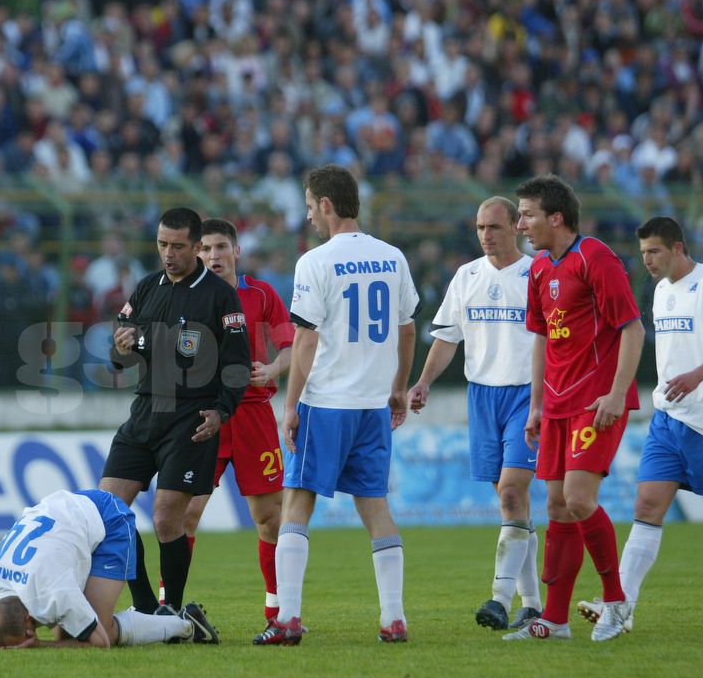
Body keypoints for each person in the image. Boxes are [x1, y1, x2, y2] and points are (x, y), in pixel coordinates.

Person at [254, 164, 419, 646]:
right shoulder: (392, 257)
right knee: (376, 507)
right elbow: (407, 329)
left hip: (327, 402)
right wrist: (398, 387)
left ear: (326, 205)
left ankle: (287, 617)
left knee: (297, 502)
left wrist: (291, 405)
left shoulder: (315, 262)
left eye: (309, 207)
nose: (308, 217)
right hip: (372, 404)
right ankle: (393, 617)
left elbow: (304, 341)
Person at [578, 219, 703, 636]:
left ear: (677, 248)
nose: (646, 260)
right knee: (646, 505)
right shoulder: (661, 292)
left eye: (654, 252)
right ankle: (621, 606)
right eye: (643, 252)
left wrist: (696, 376)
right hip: (668, 418)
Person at [502, 174, 644, 643]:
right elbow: (541, 338)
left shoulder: (595, 257)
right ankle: (555, 621)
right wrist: (537, 406)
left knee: (580, 500)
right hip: (558, 405)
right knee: (558, 508)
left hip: (597, 400)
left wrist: (617, 392)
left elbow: (632, 328)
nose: (520, 223)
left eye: (526, 214)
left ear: (555, 218)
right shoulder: (540, 268)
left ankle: (617, 603)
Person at [100, 207, 251, 620]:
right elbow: (119, 351)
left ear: (198, 247)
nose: (169, 253)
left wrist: (222, 412)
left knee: (167, 517)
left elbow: (238, 363)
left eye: (178, 246)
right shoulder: (147, 287)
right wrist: (121, 350)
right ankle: (146, 603)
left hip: (191, 418)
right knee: (110, 511)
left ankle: (172, 608)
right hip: (145, 411)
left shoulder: (220, 296)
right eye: (162, 244)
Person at [407, 197, 542, 631]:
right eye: (481, 227)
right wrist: (424, 381)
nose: (486, 235)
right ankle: (533, 603)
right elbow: (447, 338)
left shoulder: (536, 273)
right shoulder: (466, 276)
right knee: (512, 503)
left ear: (516, 228)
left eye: (495, 227)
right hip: (482, 396)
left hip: (526, 394)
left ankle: (500, 599)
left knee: (510, 493)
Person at [172, 218, 294, 627]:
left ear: (236, 251)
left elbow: (293, 346)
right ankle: (168, 608)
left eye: (221, 247)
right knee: (184, 512)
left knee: (269, 518)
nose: (213, 256)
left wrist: (273, 367)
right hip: (204, 415)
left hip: (254, 414)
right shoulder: (186, 296)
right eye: (205, 249)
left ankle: (277, 611)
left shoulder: (261, 294)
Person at [0, 489, 218, 648]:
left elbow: (100, 642)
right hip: (62, 515)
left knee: (99, 632)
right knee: (67, 636)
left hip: (107, 517)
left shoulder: (54, 590)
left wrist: (39, 645)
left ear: (28, 619)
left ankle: (184, 625)